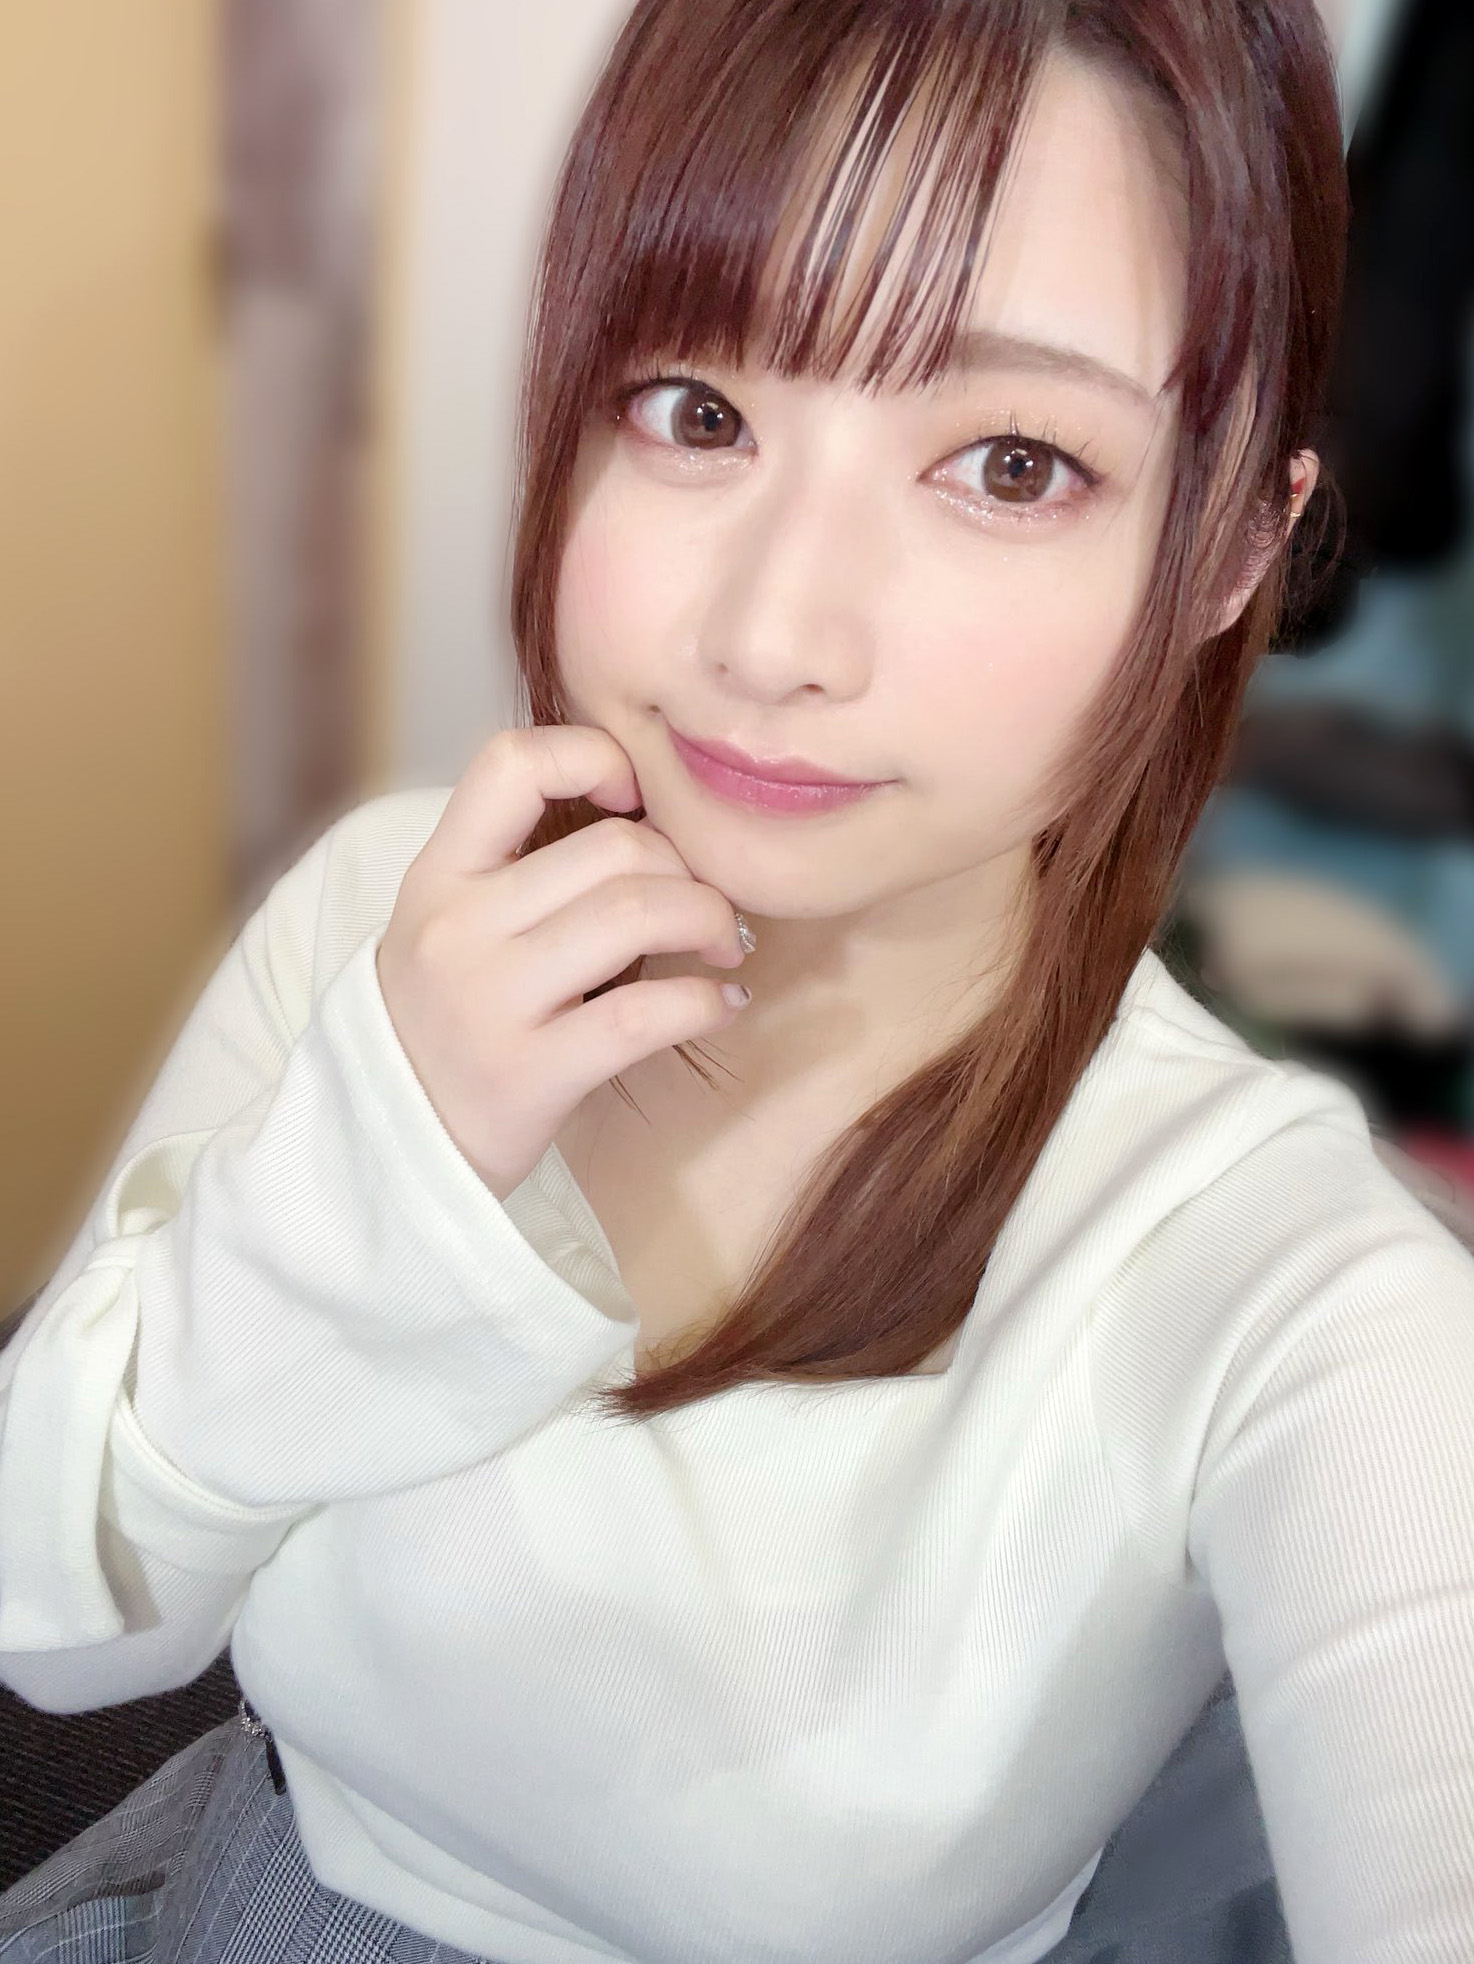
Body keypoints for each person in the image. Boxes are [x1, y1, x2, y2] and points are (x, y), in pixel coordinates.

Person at [2, 0, 1472, 1960]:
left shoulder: (1290, 1283)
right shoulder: (385, 917)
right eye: (697, 413)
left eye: (1010, 463)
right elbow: (50, 1611)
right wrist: (386, 1161)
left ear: (1227, 552)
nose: (773, 634)